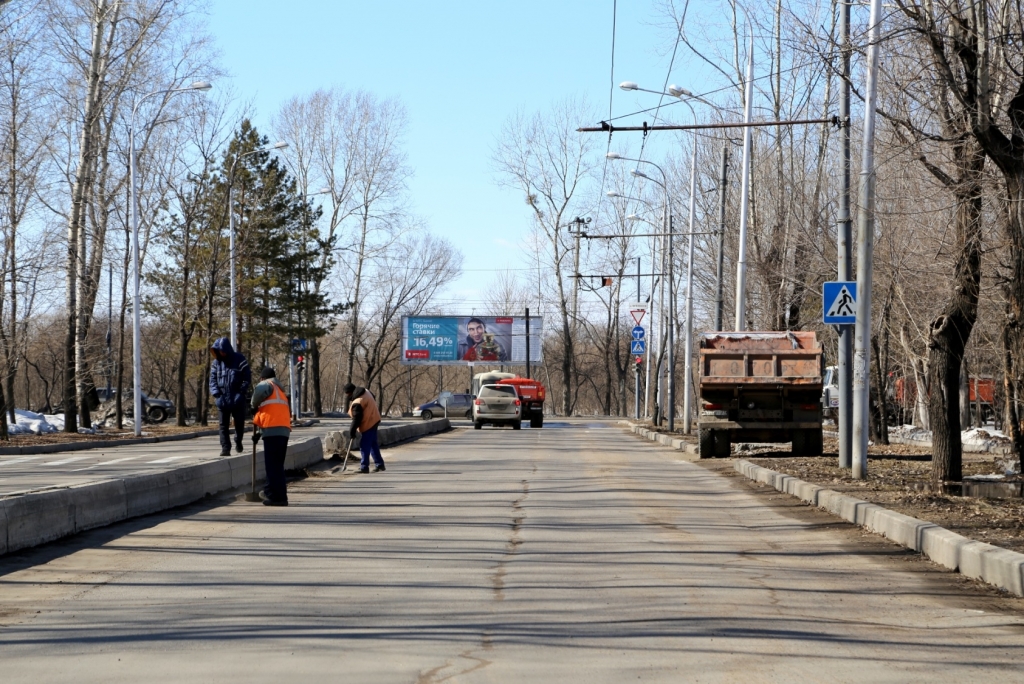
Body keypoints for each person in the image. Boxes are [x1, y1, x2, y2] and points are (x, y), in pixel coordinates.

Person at [251, 366, 291, 506]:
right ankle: (279, 495)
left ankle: (275, 497)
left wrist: (252, 405)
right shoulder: (280, 391)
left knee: (272, 466)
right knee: (277, 465)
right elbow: (273, 413)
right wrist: (260, 434)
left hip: (273, 431)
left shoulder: (266, 384)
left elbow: (258, 394)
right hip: (283, 431)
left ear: (263, 378)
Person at [209, 337, 252, 456]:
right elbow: (212, 381)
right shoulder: (216, 364)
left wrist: (241, 393)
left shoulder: (239, 359)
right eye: (218, 351)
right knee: (223, 425)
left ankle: (238, 440)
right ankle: (225, 448)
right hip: (222, 398)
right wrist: (217, 395)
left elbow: (247, 378)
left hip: (237, 398)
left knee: (239, 423)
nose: (221, 353)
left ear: (227, 349)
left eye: (222, 350)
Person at [344, 382, 385, 473]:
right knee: (373, 444)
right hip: (375, 419)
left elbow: (356, 418)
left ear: (350, 392)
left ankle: (364, 467)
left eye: (347, 394)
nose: (347, 397)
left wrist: (352, 430)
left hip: (369, 423)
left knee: (364, 445)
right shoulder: (366, 391)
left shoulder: (357, 402)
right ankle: (379, 464)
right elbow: (373, 398)